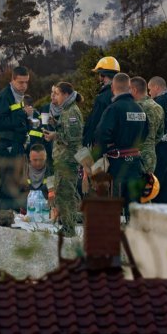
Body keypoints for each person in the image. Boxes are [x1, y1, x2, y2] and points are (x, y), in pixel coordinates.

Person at [95, 73, 148, 213]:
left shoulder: (113, 109)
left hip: (118, 165)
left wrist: (100, 157)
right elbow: (145, 134)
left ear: (113, 87)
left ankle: (113, 234)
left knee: (114, 206)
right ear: (129, 87)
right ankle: (133, 234)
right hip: (136, 163)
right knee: (134, 208)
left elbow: (101, 135)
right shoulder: (140, 109)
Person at [44, 81, 83, 236]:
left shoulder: (72, 111)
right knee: (64, 192)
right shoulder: (66, 110)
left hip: (68, 160)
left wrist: (55, 135)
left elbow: (73, 137)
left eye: (58, 94)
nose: (56, 97)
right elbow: (67, 130)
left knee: (65, 194)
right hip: (64, 160)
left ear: (66, 94)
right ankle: (67, 225)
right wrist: (56, 124)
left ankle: (68, 229)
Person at [0, 66, 32, 210]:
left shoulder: (19, 96)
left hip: (17, 145)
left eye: (26, 82)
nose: (24, 86)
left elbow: (16, 120)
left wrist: (28, 121)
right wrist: (23, 115)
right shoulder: (5, 96)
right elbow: (0, 122)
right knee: (7, 185)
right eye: (20, 82)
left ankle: (13, 218)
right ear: (12, 80)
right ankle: (2, 219)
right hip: (7, 145)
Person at [82, 56, 119, 148]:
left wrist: (87, 140)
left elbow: (95, 122)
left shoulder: (102, 97)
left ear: (103, 75)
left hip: (101, 146)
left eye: (99, 74)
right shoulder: (124, 95)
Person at [130, 76, 164, 176]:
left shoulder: (136, 107)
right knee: (148, 187)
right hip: (151, 153)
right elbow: (160, 134)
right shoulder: (158, 107)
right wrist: (151, 143)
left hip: (136, 154)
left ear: (134, 90)